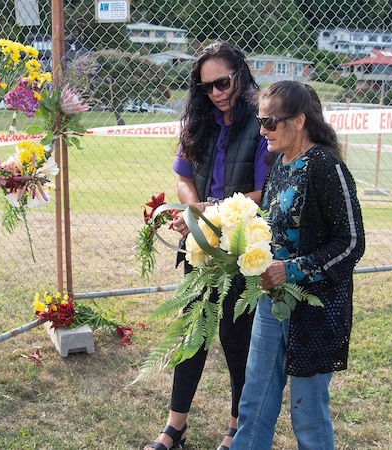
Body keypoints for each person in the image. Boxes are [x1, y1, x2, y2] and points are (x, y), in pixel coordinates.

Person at [145, 41, 271, 450]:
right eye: (207, 87)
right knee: (191, 330)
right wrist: (194, 208)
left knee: (237, 338)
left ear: (241, 73)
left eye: (222, 82)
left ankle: (236, 427)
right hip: (200, 243)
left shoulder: (262, 122)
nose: (216, 93)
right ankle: (174, 428)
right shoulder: (197, 122)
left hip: (239, 246)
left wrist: (213, 216)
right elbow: (183, 177)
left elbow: (262, 191)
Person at [229, 81, 365, 449]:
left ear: (299, 120)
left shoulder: (325, 165)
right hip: (272, 302)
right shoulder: (281, 164)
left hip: (315, 310)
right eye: (261, 120)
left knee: (307, 413)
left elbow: (351, 243)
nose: (262, 130)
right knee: (253, 401)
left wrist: (291, 270)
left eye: (270, 122)